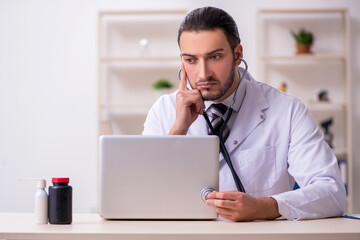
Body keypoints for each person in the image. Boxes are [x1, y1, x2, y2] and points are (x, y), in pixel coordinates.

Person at [142, 6, 346, 221]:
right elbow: (142, 194)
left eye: (215, 57)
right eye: (191, 60)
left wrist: (264, 207)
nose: (203, 73)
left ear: (237, 54)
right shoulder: (164, 110)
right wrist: (178, 131)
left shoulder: (288, 110)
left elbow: (332, 193)